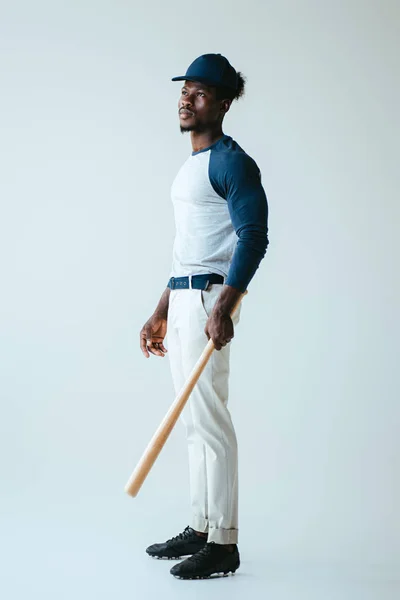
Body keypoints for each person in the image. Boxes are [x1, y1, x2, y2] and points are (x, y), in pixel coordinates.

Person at [139, 53, 269, 580]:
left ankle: (225, 543)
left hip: (209, 302)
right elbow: (185, 250)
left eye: (199, 92)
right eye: (184, 90)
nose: (186, 99)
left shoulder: (231, 161)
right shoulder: (191, 165)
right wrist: (160, 310)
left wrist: (225, 304)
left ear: (223, 102)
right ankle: (201, 524)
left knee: (211, 424)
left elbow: (254, 237)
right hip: (185, 300)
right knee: (194, 423)